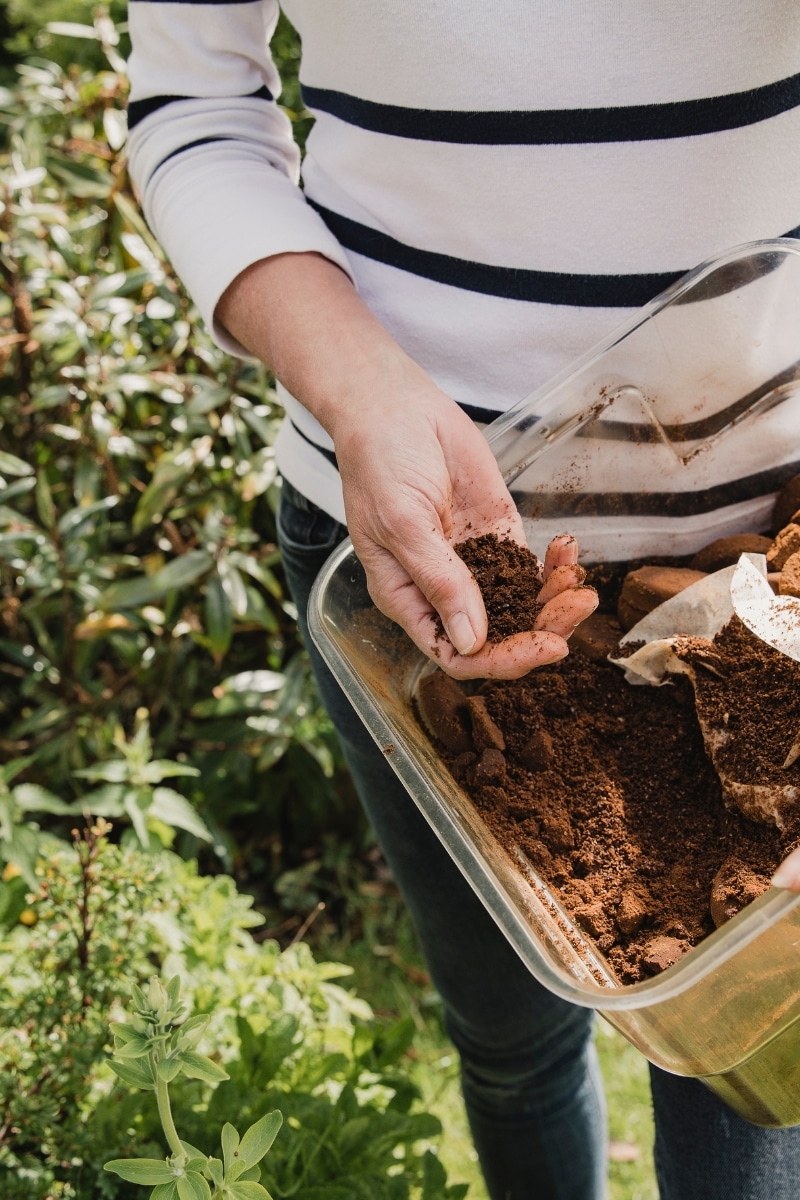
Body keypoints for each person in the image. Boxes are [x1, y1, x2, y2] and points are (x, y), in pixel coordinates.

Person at [126, 5, 800, 1196]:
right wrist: (360, 391)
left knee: (749, 1101)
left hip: (770, 554)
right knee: (508, 1043)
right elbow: (193, 105)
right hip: (411, 548)